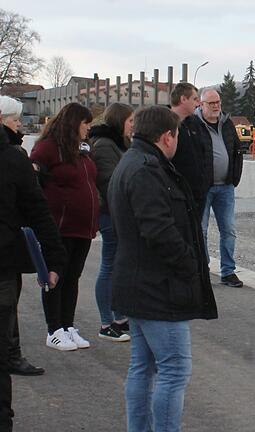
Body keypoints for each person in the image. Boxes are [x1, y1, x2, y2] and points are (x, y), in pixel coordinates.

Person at [109, 105, 217, 432]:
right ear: (167, 136)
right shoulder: (145, 170)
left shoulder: (134, 163)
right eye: (178, 136)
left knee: (142, 367)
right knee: (174, 370)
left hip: (139, 283)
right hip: (157, 288)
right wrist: (189, 264)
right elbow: (158, 230)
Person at [1, 106, 66, 430]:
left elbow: (38, 209)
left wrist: (52, 258)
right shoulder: (14, 159)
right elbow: (38, 209)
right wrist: (53, 259)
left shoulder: (15, 159)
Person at [30, 102, 98, 352]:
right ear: (73, 123)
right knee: (54, 276)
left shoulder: (83, 150)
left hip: (83, 226)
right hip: (59, 225)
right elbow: (33, 179)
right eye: (85, 124)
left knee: (73, 277)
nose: (88, 129)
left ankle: (68, 326)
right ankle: (54, 329)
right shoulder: (47, 148)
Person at [0, 96, 48, 375]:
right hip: (9, 239)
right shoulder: (13, 154)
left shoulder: (16, 151)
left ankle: (12, 352)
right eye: (15, 119)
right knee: (7, 302)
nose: (19, 124)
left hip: (12, 237)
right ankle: (11, 354)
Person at [90, 102, 134, 342]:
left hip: (118, 212)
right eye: (130, 121)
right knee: (109, 266)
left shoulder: (117, 143)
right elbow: (110, 184)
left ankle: (119, 316)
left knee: (117, 266)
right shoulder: (105, 146)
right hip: (110, 214)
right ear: (119, 121)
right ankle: (106, 322)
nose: (132, 126)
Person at [196, 89, 244, 288]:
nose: (216, 106)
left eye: (218, 102)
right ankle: (202, 271)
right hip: (203, 188)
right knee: (202, 231)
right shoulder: (194, 125)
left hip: (225, 187)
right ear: (201, 105)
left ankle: (228, 272)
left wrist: (234, 177)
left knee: (229, 230)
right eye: (211, 103)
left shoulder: (227, 124)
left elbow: (236, 150)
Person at [169, 83, 206, 216]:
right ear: (183, 99)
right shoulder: (166, 124)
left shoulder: (195, 123)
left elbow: (203, 154)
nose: (199, 103)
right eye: (195, 99)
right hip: (176, 195)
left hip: (197, 194)